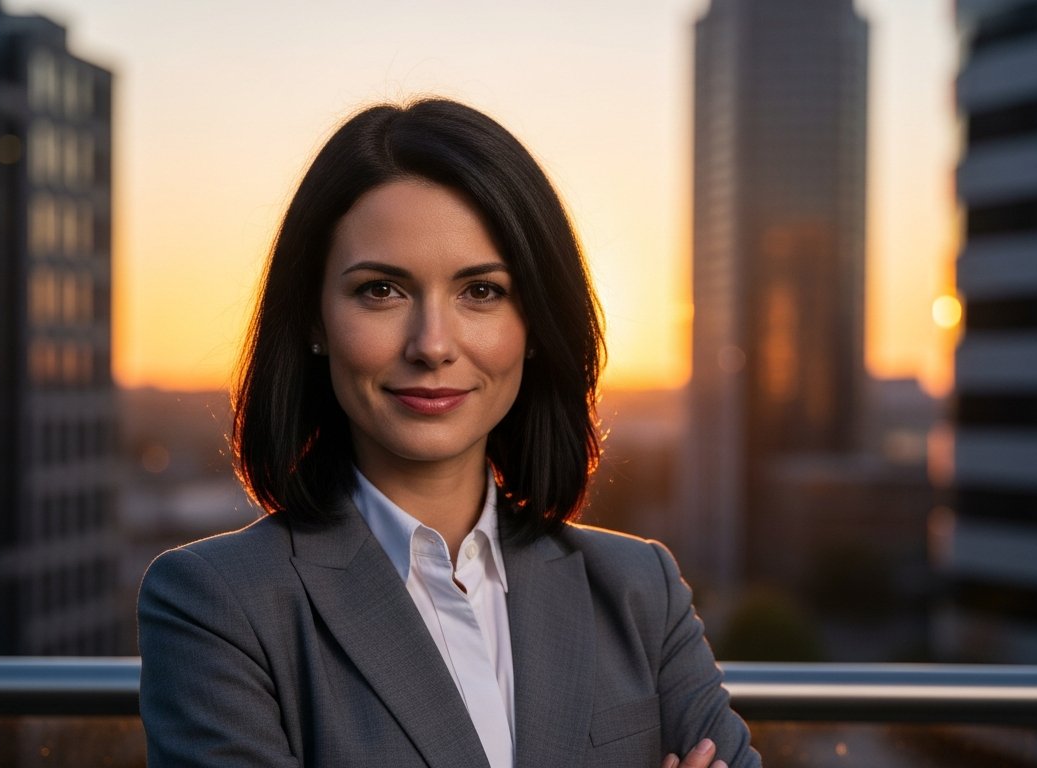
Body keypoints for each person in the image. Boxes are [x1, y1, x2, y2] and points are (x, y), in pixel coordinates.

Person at [137, 98, 759, 768]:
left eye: (481, 292)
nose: (432, 345)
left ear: (534, 324)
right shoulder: (217, 605)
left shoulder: (639, 587)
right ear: (314, 319)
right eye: (381, 290)